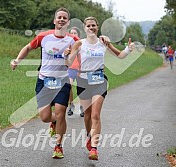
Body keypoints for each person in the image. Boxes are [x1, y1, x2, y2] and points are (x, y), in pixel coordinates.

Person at [10, 7, 79, 159]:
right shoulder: (43, 37)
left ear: (68, 22)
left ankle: (58, 146)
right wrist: (17, 60)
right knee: (44, 116)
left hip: (62, 81)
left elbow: (70, 63)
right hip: (44, 80)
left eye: (64, 18)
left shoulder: (73, 41)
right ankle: (52, 122)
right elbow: (28, 47)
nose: (61, 19)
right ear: (54, 21)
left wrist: (68, 55)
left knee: (61, 113)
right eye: (59, 17)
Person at [64, 16, 134, 160]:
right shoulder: (79, 44)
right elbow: (69, 63)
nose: (91, 28)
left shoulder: (103, 42)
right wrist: (66, 56)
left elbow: (120, 55)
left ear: (97, 26)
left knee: (96, 115)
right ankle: (89, 136)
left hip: (99, 80)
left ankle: (94, 148)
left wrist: (128, 49)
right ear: (84, 28)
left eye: (93, 25)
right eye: (88, 26)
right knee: (87, 116)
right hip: (83, 81)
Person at [67, 27, 84, 117]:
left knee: (80, 88)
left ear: (78, 35)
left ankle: (82, 107)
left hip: (80, 68)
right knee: (69, 85)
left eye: (75, 33)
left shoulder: (81, 44)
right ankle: (71, 105)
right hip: (70, 69)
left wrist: (81, 68)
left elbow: (82, 57)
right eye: (71, 33)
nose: (73, 35)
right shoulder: (67, 44)